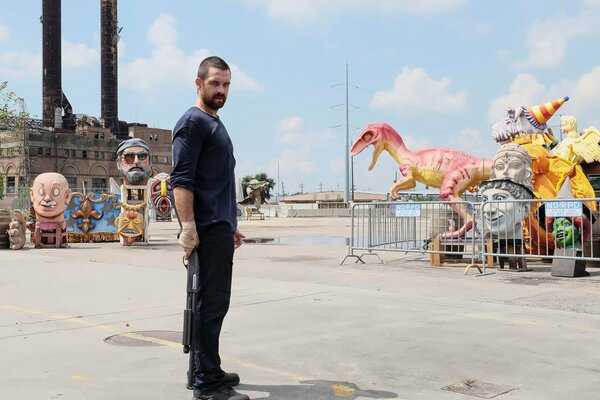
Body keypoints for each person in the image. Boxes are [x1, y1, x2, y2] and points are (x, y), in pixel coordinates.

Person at [171, 56, 248, 400]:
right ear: (198, 83)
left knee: (214, 303)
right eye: (215, 83)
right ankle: (206, 385)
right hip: (203, 230)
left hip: (218, 228)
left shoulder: (214, 121)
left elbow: (217, 182)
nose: (221, 90)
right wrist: (188, 227)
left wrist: (230, 224)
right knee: (209, 304)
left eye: (226, 84)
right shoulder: (193, 123)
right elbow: (182, 180)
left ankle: (207, 369)